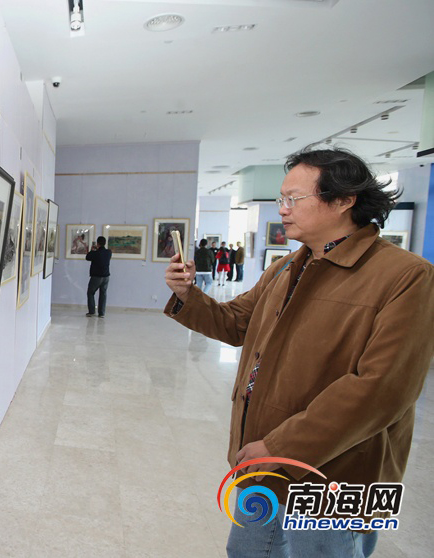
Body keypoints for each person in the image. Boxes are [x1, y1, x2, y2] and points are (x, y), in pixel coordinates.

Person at [164, 146, 434, 557]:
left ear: (343, 201)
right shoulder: (288, 267)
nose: (282, 209)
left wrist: (282, 446)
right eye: (281, 198)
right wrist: (188, 295)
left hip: (339, 470)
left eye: (294, 198)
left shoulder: (406, 276)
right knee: (249, 552)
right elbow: (236, 323)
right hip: (264, 460)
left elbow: (383, 388)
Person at [85, 236, 112, 318]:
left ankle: (92, 311)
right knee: (103, 294)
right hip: (106, 276)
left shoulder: (95, 253)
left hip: (96, 277)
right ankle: (101, 313)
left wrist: (92, 250)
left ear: (97, 243)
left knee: (90, 293)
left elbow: (87, 257)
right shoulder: (109, 252)